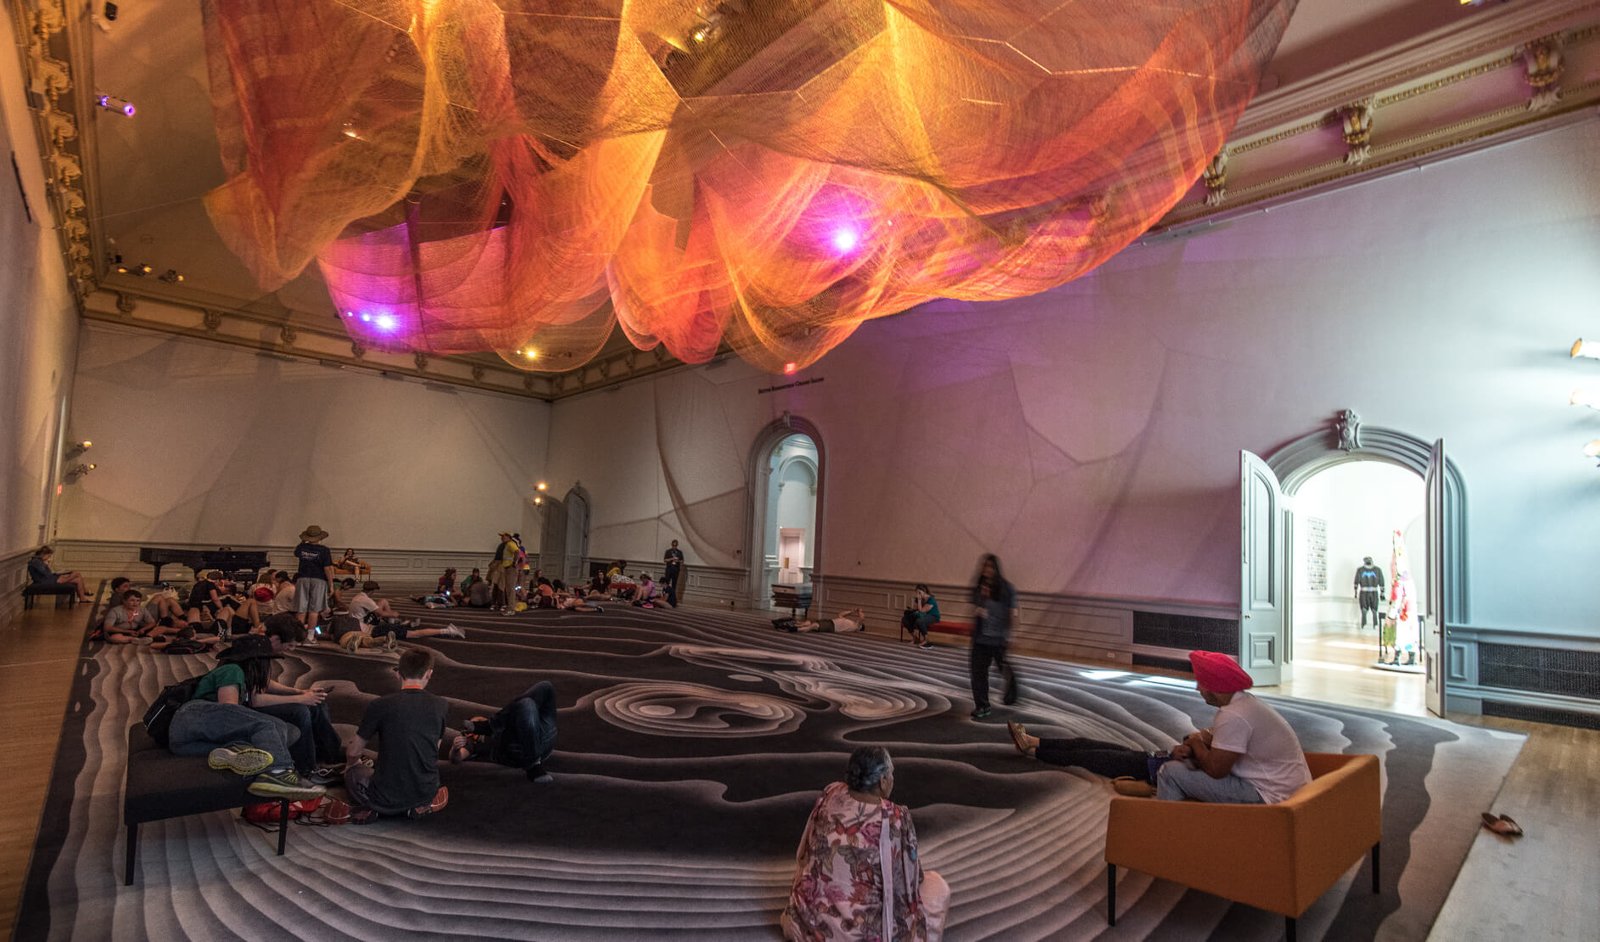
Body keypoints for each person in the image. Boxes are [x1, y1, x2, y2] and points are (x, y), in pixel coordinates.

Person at [1004, 650, 1312, 804]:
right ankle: (1034, 742)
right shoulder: (1244, 706)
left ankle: (1162, 818)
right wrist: (1196, 743)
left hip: (1268, 795)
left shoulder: (1234, 715)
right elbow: (1217, 743)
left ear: (1216, 689)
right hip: (1277, 785)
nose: (1198, 690)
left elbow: (1217, 770)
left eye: (1201, 684)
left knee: (1162, 770)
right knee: (1094, 746)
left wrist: (1194, 741)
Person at [781, 746, 949, 942]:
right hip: (857, 935)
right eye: (891, 774)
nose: (893, 779)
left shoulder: (831, 792)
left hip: (804, 925)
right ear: (882, 781)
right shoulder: (895, 818)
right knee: (937, 887)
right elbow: (910, 881)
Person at [165, 636, 326, 801]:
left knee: (289, 731)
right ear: (257, 661)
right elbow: (229, 709)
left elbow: (266, 685)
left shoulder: (243, 673)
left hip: (193, 744)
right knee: (268, 725)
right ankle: (278, 773)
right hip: (193, 717)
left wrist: (299, 693)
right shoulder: (232, 671)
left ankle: (234, 752)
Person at [342, 648, 450, 823]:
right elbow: (433, 750)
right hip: (425, 790)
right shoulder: (441, 705)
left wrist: (351, 765)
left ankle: (378, 807)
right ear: (429, 674)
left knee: (354, 773)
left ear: (398, 674)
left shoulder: (380, 705)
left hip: (384, 793)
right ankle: (417, 806)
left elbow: (354, 751)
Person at [448, 680, 559, 783]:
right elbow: (456, 759)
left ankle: (490, 726)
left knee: (546, 687)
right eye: (473, 727)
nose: (473, 731)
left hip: (543, 739)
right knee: (526, 704)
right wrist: (455, 749)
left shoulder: (504, 725)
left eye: (479, 720)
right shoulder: (473, 744)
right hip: (517, 751)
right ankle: (532, 764)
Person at [968, 554, 1018, 719]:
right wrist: (978, 608)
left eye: (990, 567)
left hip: (998, 638)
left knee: (1003, 668)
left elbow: (1013, 613)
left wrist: (1011, 635)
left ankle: (1012, 691)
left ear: (996, 568)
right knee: (978, 673)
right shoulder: (979, 587)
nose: (987, 570)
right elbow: (975, 608)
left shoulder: (1006, 588)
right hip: (980, 638)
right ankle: (982, 705)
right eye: (984, 567)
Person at [293, 525, 336, 637]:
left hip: (302, 578)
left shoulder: (302, 548)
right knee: (314, 610)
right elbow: (327, 568)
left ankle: (299, 635)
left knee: (301, 610)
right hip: (318, 579)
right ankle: (310, 636)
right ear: (320, 537)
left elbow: (296, 553)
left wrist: (303, 541)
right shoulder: (324, 550)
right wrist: (331, 584)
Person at [488, 531, 520, 614]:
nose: (501, 538)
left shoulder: (510, 544)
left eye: (503, 536)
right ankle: (510, 607)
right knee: (508, 588)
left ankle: (511, 608)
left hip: (510, 568)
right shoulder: (506, 545)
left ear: (508, 537)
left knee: (510, 589)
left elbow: (517, 552)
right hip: (507, 568)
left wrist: (514, 563)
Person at [1354, 556, 1385, 630]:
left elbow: (1356, 582)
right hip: (1372, 592)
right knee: (1372, 609)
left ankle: (1365, 625)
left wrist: (1355, 592)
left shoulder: (1360, 570)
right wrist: (1382, 593)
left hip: (1364, 592)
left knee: (1367, 609)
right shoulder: (1377, 570)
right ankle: (1373, 625)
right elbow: (1381, 582)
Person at [775, 608, 867, 633]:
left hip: (832, 627)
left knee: (813, 626)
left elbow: (862, 618)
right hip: (830, 621)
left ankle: (793, 629)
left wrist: (860, 611)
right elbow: (841, 614)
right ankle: (792, 624)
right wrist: (852, 611)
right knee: (809, 622)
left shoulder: (855, 627)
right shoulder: (849, 622)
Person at [662, 539, 685, 607]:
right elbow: (665, 560)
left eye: (675, 545)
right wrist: (671, 559)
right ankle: (664, 597)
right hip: (669, 569)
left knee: (674, 584)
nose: (674, 546)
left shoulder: (679, 552)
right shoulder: (668, 551)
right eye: (673, 545)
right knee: (666, 584)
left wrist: (678, 561)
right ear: (671, 545)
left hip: (676, 570)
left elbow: (682, 561)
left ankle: (672, 600)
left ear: (677, 545)